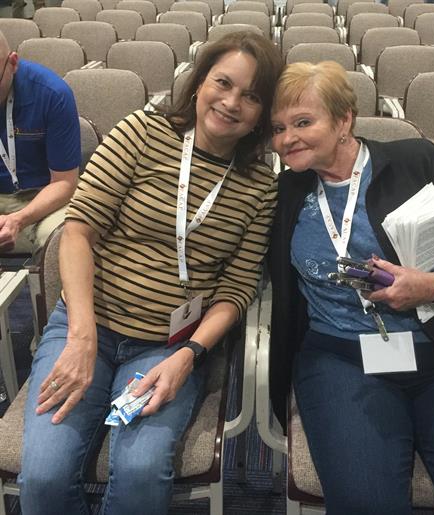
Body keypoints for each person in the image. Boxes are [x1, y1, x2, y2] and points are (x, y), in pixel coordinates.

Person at [19, 32, 282, 514]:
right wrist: (80, 338)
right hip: (87, 327)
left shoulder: (260, 184)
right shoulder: (142, 132)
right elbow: (77, 232)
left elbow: (238, 286)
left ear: (263, 113)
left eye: (251, 96)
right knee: (43, 478)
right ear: (199, 80)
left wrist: (190, 353)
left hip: (168, 346)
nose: (230, 102)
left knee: (142, 474)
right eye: (222, 83)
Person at [268, 61, 434, 515]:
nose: (286, 138)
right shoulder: (283, 193)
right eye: (277, 128)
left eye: (303, 122)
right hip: (340, 359)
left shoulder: (417, 161)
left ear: (344, 120)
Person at [0, 31, 80, 254]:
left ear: (13, 63)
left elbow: (65, 183)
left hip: (44, 197)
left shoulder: (53, 94)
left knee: (60, 239)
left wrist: (18, 219)